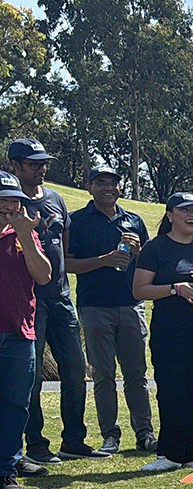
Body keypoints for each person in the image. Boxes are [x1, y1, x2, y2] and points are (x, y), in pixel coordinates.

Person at [10, 139, 108, 463]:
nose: (41, 169)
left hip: (62, 298)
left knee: (76, 369)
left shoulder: (56, 200)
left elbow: (65, 253)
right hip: (30, 301)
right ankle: (36, 444)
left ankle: (74, 440)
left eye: (43, 163)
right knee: (32, 375)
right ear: (16, 166)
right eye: (34, 163)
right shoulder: (11, 205)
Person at [133, 193, 193, 472]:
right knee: (172, 388)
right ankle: (170, 454)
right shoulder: (156, 248)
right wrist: (176, 288)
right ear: (170, 214)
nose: (192, 215)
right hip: (169, 327)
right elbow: (139, 290)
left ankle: (191, 452)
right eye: (185, 210)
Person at [65, 165, 156, 456]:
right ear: (89, 187)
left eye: (113, 183)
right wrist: (104, 260)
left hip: (131, 305)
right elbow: (67, 264)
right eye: (100, 182)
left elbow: (151, 265)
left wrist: (140, 252)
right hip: (94, 307)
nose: (108, 187)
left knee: (137, 374)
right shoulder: (77, 221)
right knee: (104, 375)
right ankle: (110, 435)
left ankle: (144, 433)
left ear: (120, 188)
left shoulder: (134, 220)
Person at [1, 170, 51, 489]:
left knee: (17, 403)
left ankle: (6, 468)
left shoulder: (24, 232)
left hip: (19, 331)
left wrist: (23, 237)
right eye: (2, 202)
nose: (9, 208)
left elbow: (44, 275)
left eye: (13, 202)